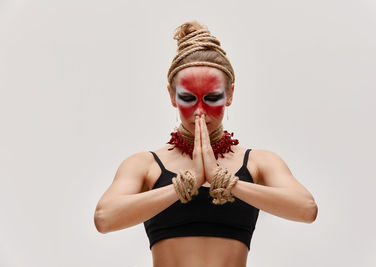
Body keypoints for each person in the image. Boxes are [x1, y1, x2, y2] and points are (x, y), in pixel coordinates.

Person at [94, 20, 318, 267]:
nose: (200, 111)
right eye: (188, 98)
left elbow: (306, 209)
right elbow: (104, 218)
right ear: (171, 95)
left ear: (230, 94)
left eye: (212, 98)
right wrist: (187, 184)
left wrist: (224, 181)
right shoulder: (145, 164)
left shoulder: (259, 162)